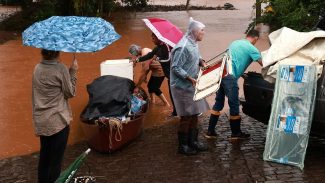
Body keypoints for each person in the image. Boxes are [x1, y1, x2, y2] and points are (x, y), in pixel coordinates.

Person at [205, 29, 263, 140]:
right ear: (256, 38)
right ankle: (236, 133)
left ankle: (210, 131)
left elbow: (231, 59)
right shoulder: (252, 48)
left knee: (218, 103)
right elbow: (263, 63)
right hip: (230, 78)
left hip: (221, 74)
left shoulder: (235, 43)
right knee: (234, 104)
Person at [32, 49, 78, 183]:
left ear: (42, 52)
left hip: (42, 121)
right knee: (55, 162)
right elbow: (70, 93)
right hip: (58, 122)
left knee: (44, 159)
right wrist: (73, 71)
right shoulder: (61, 68)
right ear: (58, 52)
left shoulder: (37, 68)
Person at [170, 17, 210, 155]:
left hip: (192, 83)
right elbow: (175, 67)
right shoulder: (182, 47)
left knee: (195, 113)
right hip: (182, 86)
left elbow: (196, 56)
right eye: (202, 31)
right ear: (194, 31)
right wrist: (189, 78)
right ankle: (183, 146)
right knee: (186, 116)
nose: (204, 33)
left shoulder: (194, 43)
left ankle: (193, 142)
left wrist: (201, 62)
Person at [133, 33, 177, 116]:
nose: (152, 40)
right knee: (170, 93)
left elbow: (167, 60)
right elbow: (150, 55)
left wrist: (156, 58)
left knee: (171, 93)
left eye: (153, 38)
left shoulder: (165, 47)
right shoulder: (158, 47)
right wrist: (138, 60)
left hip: (171, 75)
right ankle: (174, 112)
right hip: (168, 75)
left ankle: (172, 109)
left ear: (158, 38)